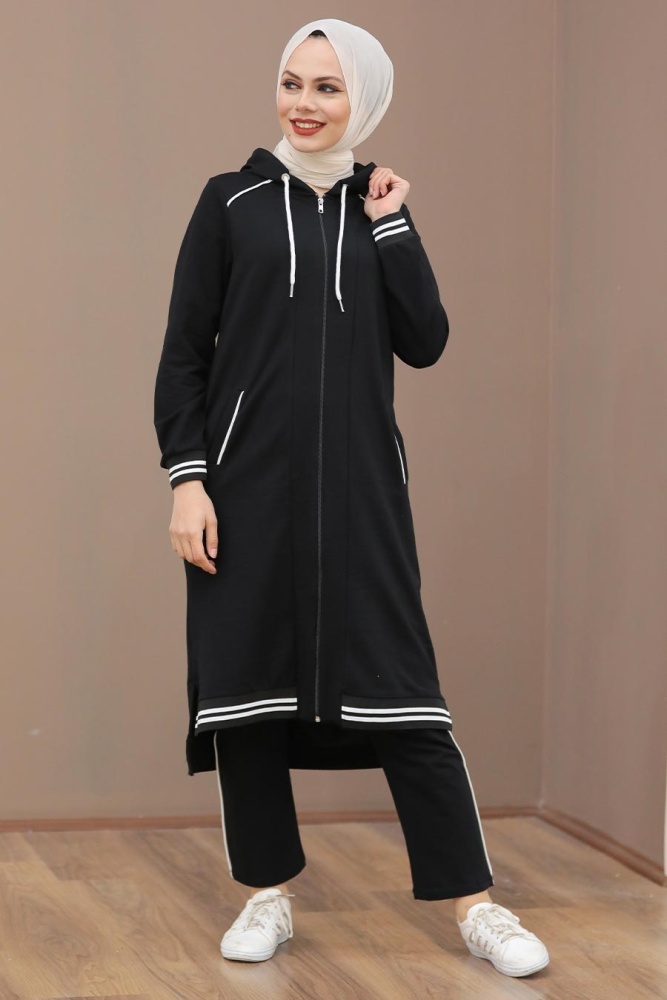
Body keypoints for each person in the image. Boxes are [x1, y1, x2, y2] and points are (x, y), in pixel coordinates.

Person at [153, 17, 549, 980]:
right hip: (244, 495)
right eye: (293, 81)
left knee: (406, 699)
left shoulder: (381, 211)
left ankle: (475, 906)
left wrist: (393, 227)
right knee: (247, 700)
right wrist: (188, 479)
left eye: (327, 88)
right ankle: (266, 893)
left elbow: (426, 340)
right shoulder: (230, 201)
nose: (304, 103)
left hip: (363, 498)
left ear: (363, 99)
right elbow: (183, 357)